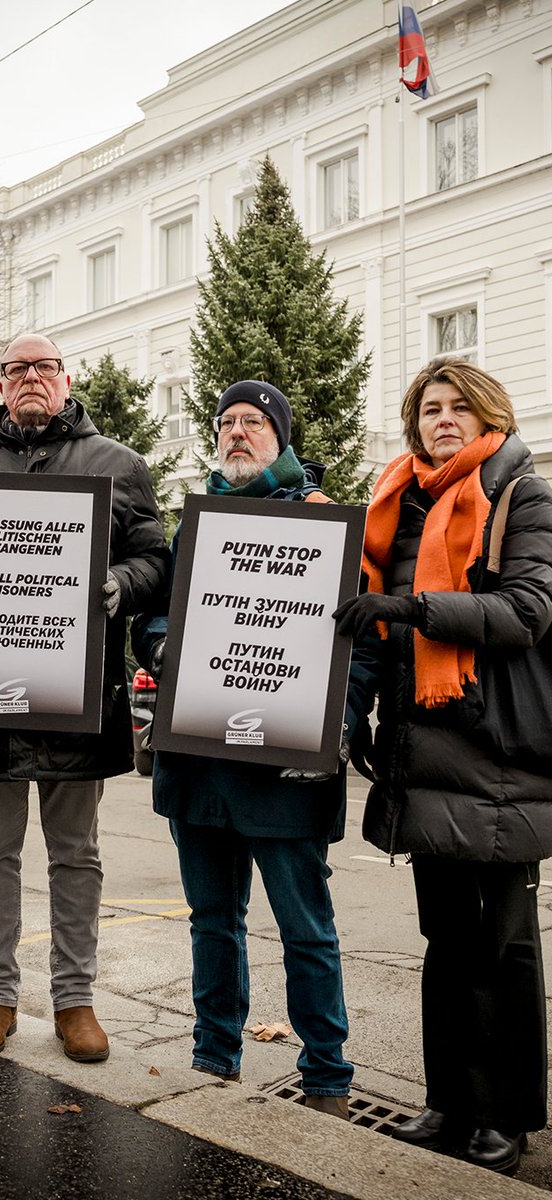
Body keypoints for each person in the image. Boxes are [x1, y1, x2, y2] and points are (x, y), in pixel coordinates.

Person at [0, 332, 169, 1063]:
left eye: (44, 367)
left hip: (78, 694)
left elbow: (157, 558)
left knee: (76, 853)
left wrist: (122, 584)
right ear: (1, 386)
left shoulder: (119, 466)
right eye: (16, 369)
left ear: (66, 380)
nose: (31, 378)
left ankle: (74, 1001)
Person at [333, 357, 552, 1173]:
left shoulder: (520, 496)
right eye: (430, 407)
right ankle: (448, 1101)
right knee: (445, 941)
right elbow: (379, 631)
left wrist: (414, 608)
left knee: (503, 945)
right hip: (421, 748)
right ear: (413, 421)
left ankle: (507, 1114)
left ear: (488, 413)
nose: (444, 418)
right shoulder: (400, 503)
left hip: (496, 751)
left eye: (460, 406)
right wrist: (367, 722)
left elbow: (528, 610)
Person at [132, 380, 371, 1119]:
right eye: (227, 422)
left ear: (281, 439)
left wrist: (338, 726)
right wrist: (163, 644)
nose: (238, 433)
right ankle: (214, 1057)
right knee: (213, 922)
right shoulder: (192, 527)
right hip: (200, 763)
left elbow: (357, 646)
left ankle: (327, 1073)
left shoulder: (321, 522)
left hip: (284, 769)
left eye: (254, 423)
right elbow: (152, 621)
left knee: (305, 927)